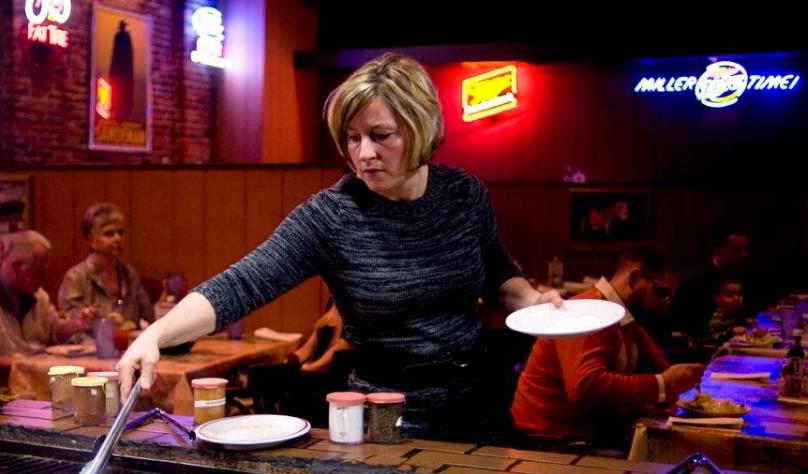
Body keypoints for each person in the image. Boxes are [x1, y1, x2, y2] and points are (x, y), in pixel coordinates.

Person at [117, 53, 562, 440]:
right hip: (387, 416)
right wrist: (154, 335)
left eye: (380, 135)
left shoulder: (464, 194)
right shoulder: (332, 215)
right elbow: (241, 284)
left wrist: (538, 301)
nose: (363, 152)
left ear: (421, 127)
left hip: (478, 407)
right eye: (352, 137)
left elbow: (500, 277)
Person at [510, 244, 705, 444]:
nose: (664, 307)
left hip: (579, 434)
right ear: (635, 278)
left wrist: (676, 381)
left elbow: (662, 367)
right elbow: (585, 386)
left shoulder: (625, 317)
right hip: (545, 442)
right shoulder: (587, 311)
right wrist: (662, 385)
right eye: (662, 293)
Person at [0, 230, 90, 372]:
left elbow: (52, 331)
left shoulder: (38, 296)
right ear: (16, 266)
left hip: (34, 382)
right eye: (38, 271)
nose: (44, 278)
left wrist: (75, 324)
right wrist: (17, 364)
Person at [58, 203, 154, 327]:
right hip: (88, 345)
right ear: (91, 241)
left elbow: (149, 317)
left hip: (129, 344)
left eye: (120, 232)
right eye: (109, 234)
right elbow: (72, 328)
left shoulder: (129, 274)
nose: (118, 238)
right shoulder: (75, 278)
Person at [669, 222, 764, 341]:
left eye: (745, 248)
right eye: (737, 249)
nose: (744, 254)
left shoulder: (745, 276)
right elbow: (688, 328)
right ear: (718, 250)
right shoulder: (694, 282)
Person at [705, 276, 746, 345]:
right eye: (730, 294)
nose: (736, 297)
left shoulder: (730, 315)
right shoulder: (717, 318)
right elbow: (714, 338)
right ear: (716, 298)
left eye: (739, 294)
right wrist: (732, 332)